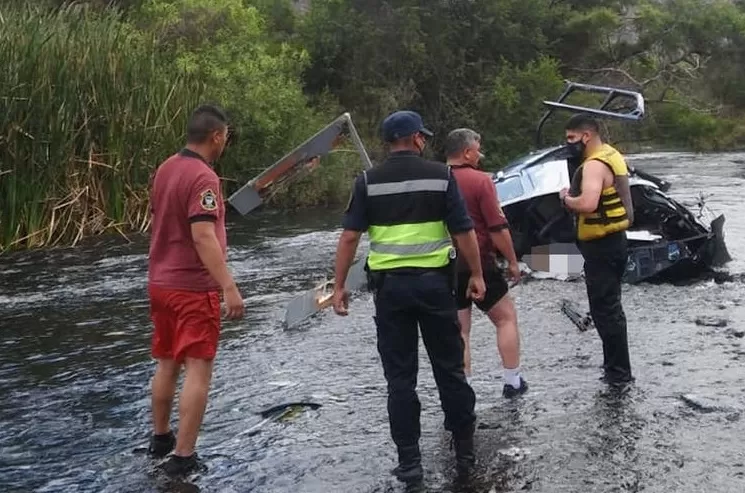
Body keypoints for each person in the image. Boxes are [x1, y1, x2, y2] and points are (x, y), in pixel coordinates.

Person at [331, 110, 486, 488]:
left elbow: (350, 237)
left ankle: (410, 463)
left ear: (388, 142)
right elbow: (463, 231)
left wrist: (339, 287)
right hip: (435, 287)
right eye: (423, 136)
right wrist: (477, 274)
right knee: (449, 369)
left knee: (400, 379)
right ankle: (464, 451)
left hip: (391, 292)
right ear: (416, 138)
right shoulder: (442, 176)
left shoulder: (367, 181)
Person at [146, 104, 245, 476]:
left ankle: (160, 438)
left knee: (167, 360)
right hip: (191, 287)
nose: (225, 143)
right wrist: (229, 286)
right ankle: (183, 456)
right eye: (226, 137)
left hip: (160, 282)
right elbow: (202, 236)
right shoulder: (205, 178)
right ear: (216, 136)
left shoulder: (166, 167)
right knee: (198, 369)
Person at [444, 128, 528, 398]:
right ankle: (512, 381)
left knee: (461, 329)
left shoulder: (436, 180)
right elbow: (497, 227)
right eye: (478, 150)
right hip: (480, 261)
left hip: (445, 264)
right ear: (467, 152)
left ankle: (463, 387)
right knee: (505, 319)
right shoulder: (481, 181)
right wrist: (513, 261)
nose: (480, 155)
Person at [559, 113, 634, 387]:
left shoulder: (593, 165)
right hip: (616, 242)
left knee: (605, 310)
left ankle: (618, 375)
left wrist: (567, 199)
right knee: (611, 307)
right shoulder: (612, 154)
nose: (568, 143)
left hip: (602, 246)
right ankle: (616, 367)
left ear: (586, 136)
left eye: (571, 138)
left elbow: (589, 204)